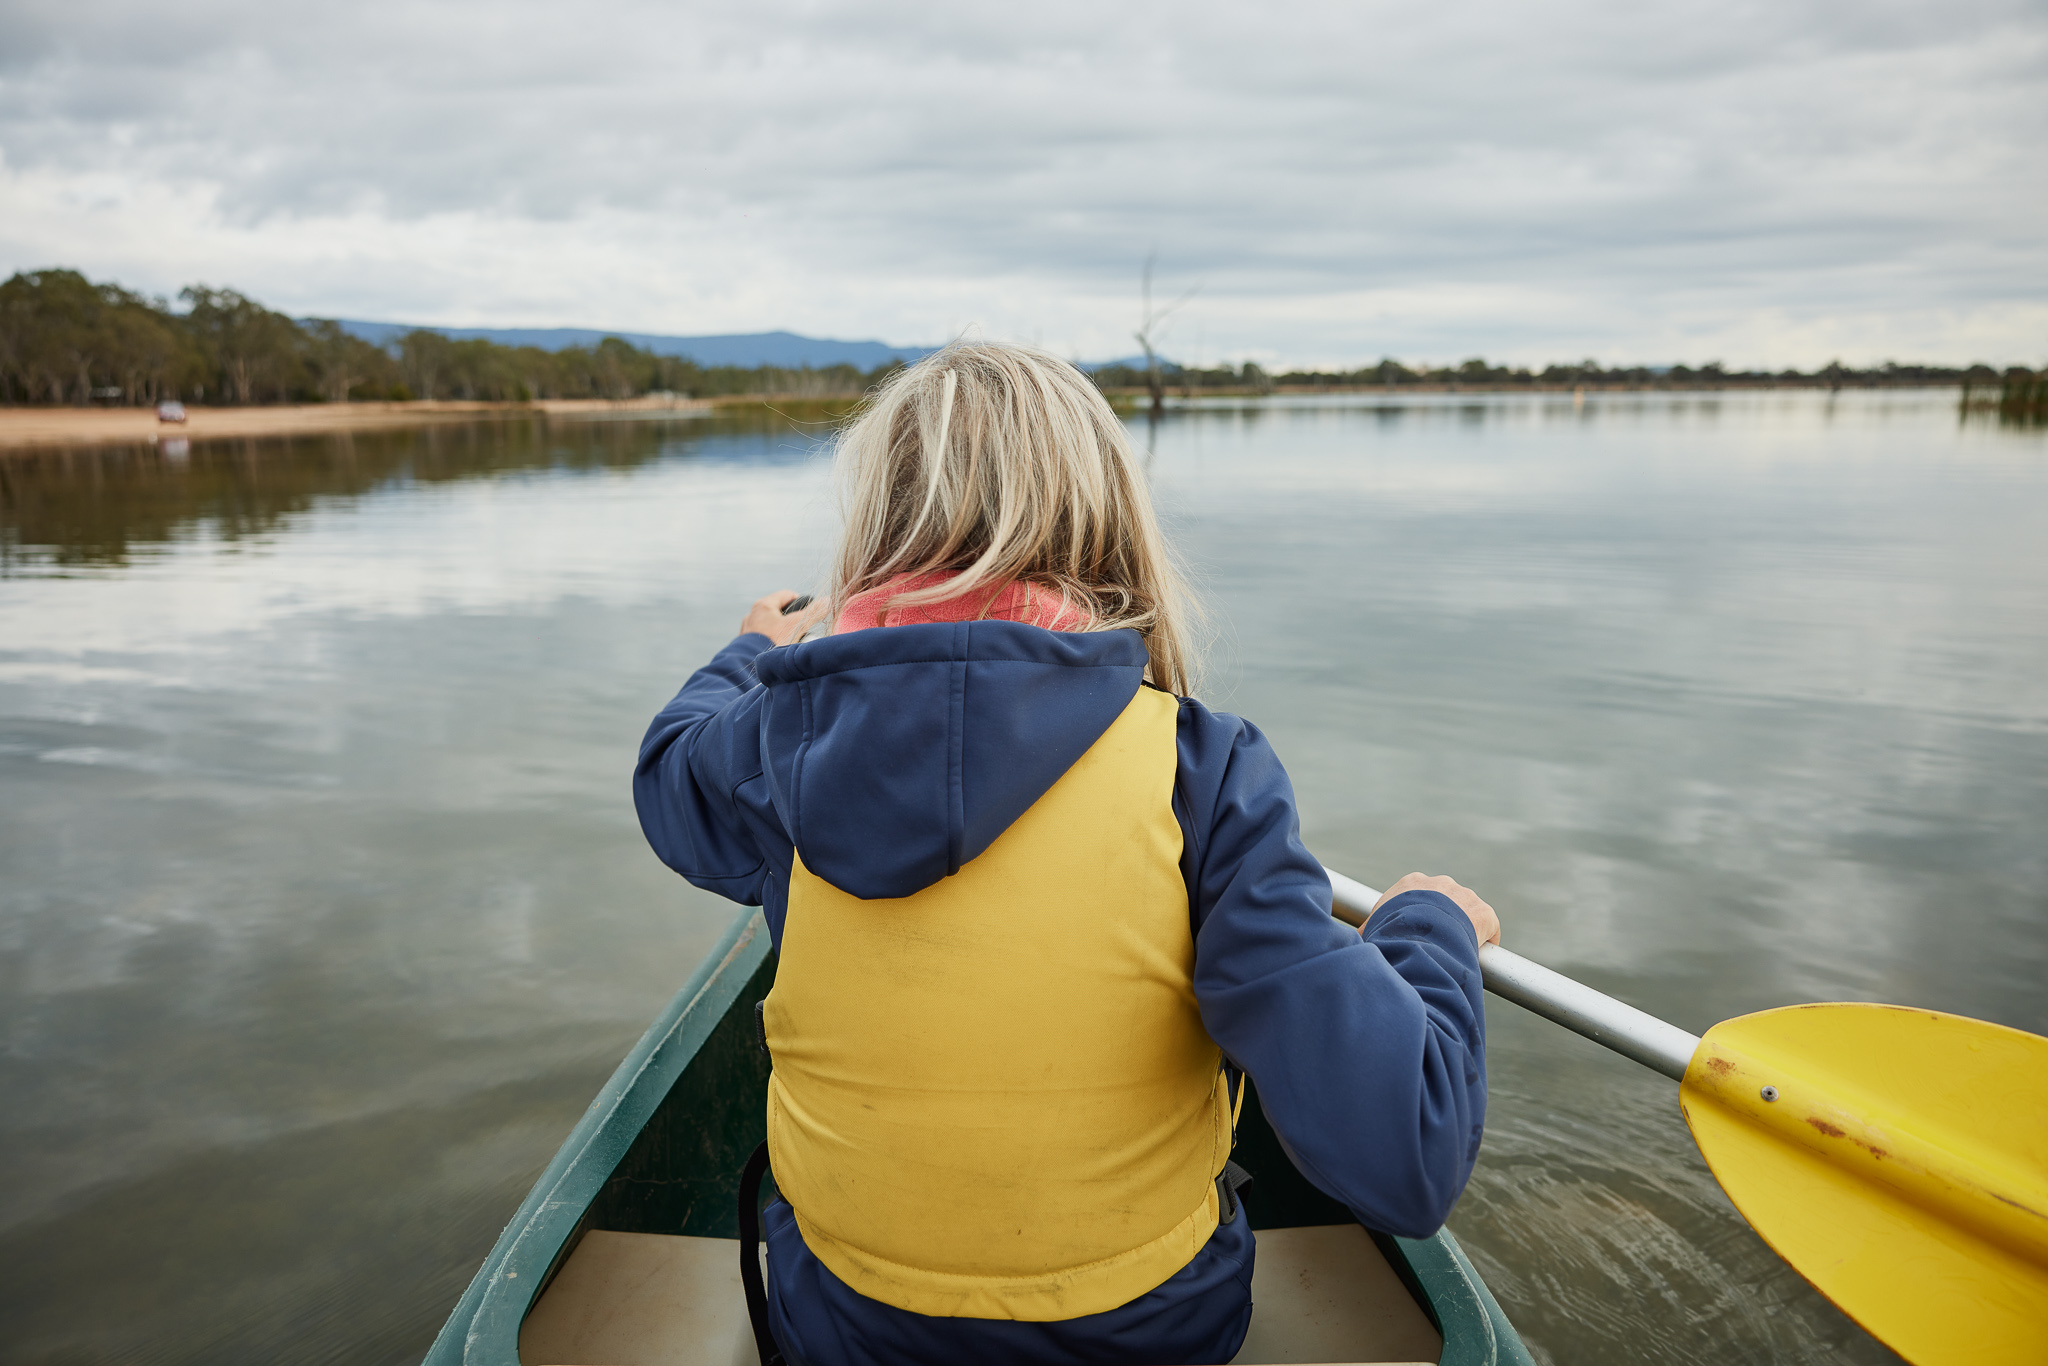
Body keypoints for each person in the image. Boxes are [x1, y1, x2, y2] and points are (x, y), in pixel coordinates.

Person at [634, 341, 1497, 1366]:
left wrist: (750, 656)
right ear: (1109, 526)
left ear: (873, 529)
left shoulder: (774, 743)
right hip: (1152, 1336)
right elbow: (1403, 1157)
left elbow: (667, 777)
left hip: (846, 1330)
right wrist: (1426, 929)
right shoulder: (1203, 771)